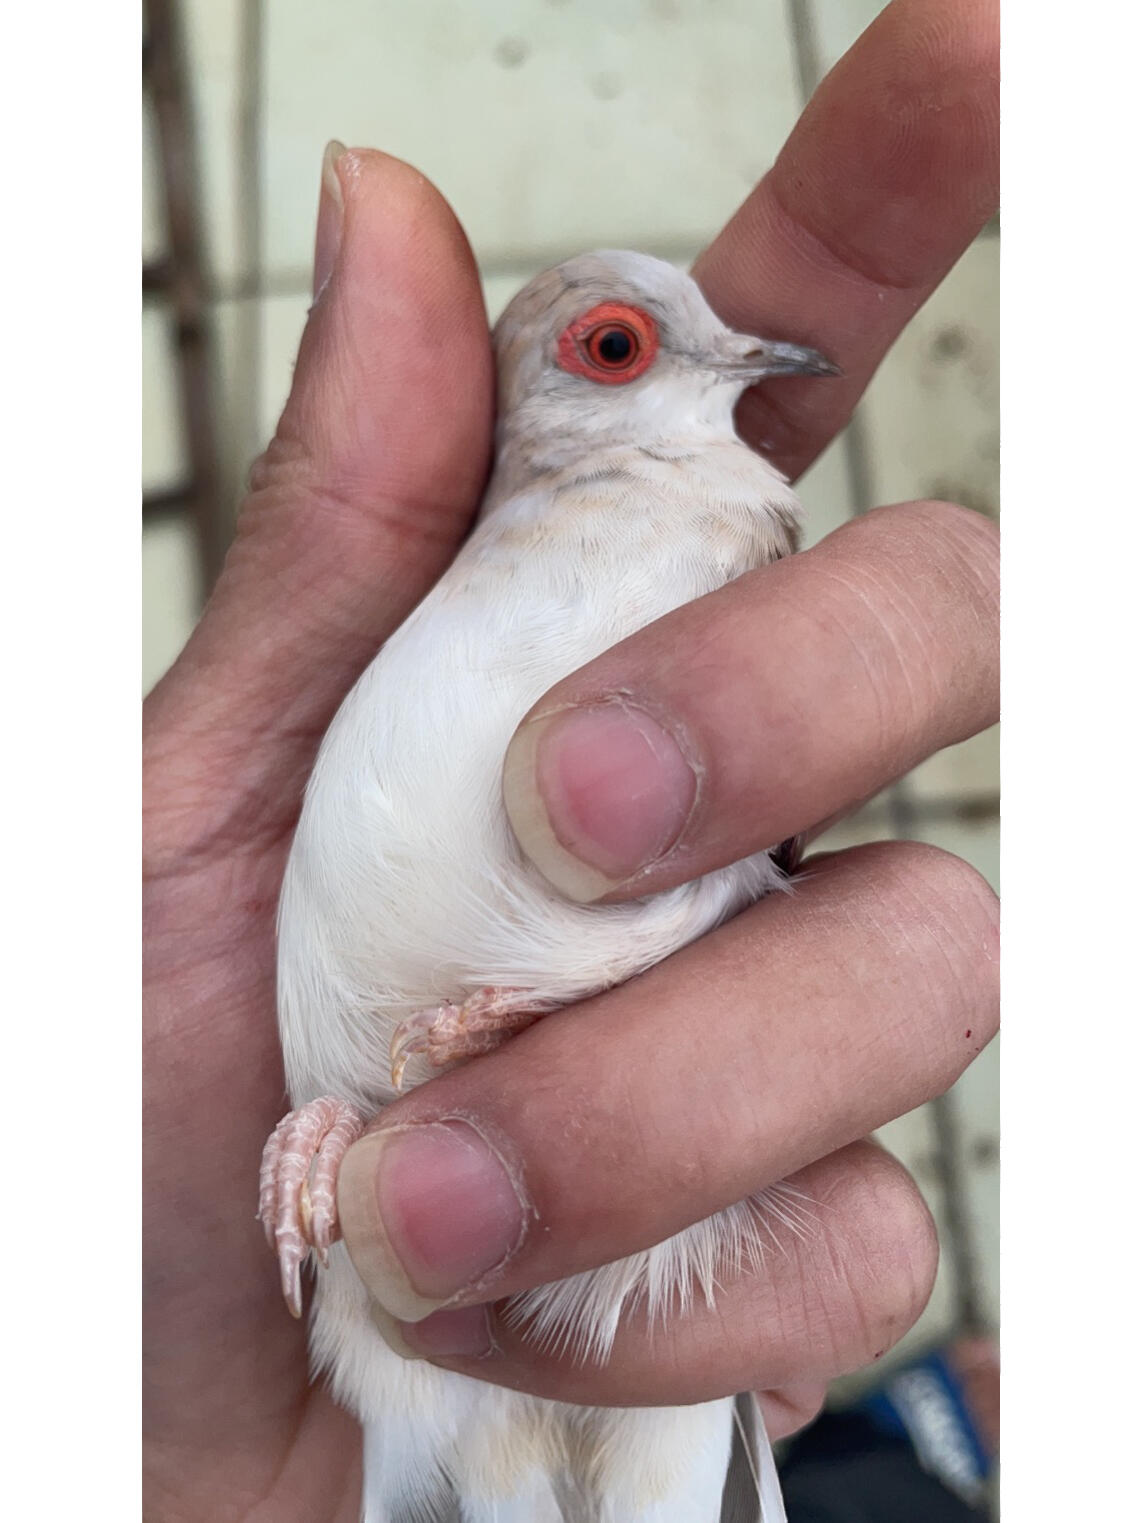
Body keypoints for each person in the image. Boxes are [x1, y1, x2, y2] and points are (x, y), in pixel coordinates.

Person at [142, 0, 999, 1515]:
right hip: (373, 1350)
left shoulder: (724, 557)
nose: (732, 369)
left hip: (495, 1316)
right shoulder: (441, 587)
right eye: (618, 349)